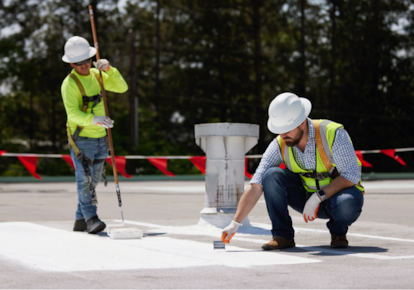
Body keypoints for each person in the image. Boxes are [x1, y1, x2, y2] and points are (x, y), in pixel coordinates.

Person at [221, 92, 364, 249]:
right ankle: (282, 236)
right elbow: (256, 184)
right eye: (279, 130)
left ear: (302, 122)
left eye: (287, 129)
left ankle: (338, 233)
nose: (283, 135)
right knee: (270, 176)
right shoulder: (280, 143)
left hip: (336, 199)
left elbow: (351, 174)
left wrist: (318, 197)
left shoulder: (333, 133)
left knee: (347, 204)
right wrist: (235, 223)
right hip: (303, 197)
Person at [61, 36, 128, 234]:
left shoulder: (97, 75)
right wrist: (95, 119)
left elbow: (122, 87)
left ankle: (80, 220)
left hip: (101, 138)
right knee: (85, 181)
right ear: (71, 63)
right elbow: (72, 113)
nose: (84, 65)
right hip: (81, 139)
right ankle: (91, 219)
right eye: (78, 63)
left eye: (87, 60)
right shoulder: (69, 84)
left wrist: (109, 70)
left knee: (94, 180)